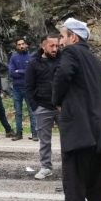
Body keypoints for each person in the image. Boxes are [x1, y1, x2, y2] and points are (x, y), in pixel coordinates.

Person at [50, 18, 101, 201]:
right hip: (98, 128)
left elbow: (63, 75)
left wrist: (56, 100)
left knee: (74, 178)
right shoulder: (97, 61)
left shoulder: (71, 53)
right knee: (97, 175)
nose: (60, 41)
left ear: (73, 38)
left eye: (63, 36)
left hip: (79, 127)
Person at [25, 33, 61, 179]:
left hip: (61, 107)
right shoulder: (34, 63)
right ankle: (46, 167)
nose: (55, 49)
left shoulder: (63, 60)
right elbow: (28, 87)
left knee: (69, 139)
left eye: (57, 45)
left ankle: (70, 167)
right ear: (43, 46)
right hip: (43, 107)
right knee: (45, 141)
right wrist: (35, 107)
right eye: (52, 45)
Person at [8, 37, 37, 141]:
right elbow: (11, 73)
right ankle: (18, 134)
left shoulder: (31, 57)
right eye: (19, 44)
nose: (21, 46)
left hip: (29, 88)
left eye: (23, 44)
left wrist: (18, 71)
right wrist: (24, 71)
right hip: (16, 89)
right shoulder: (13, 58)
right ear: (16, 46)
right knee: (18, 112)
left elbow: (32, 72)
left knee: (32, 112)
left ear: (26, 45)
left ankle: (35, 134)